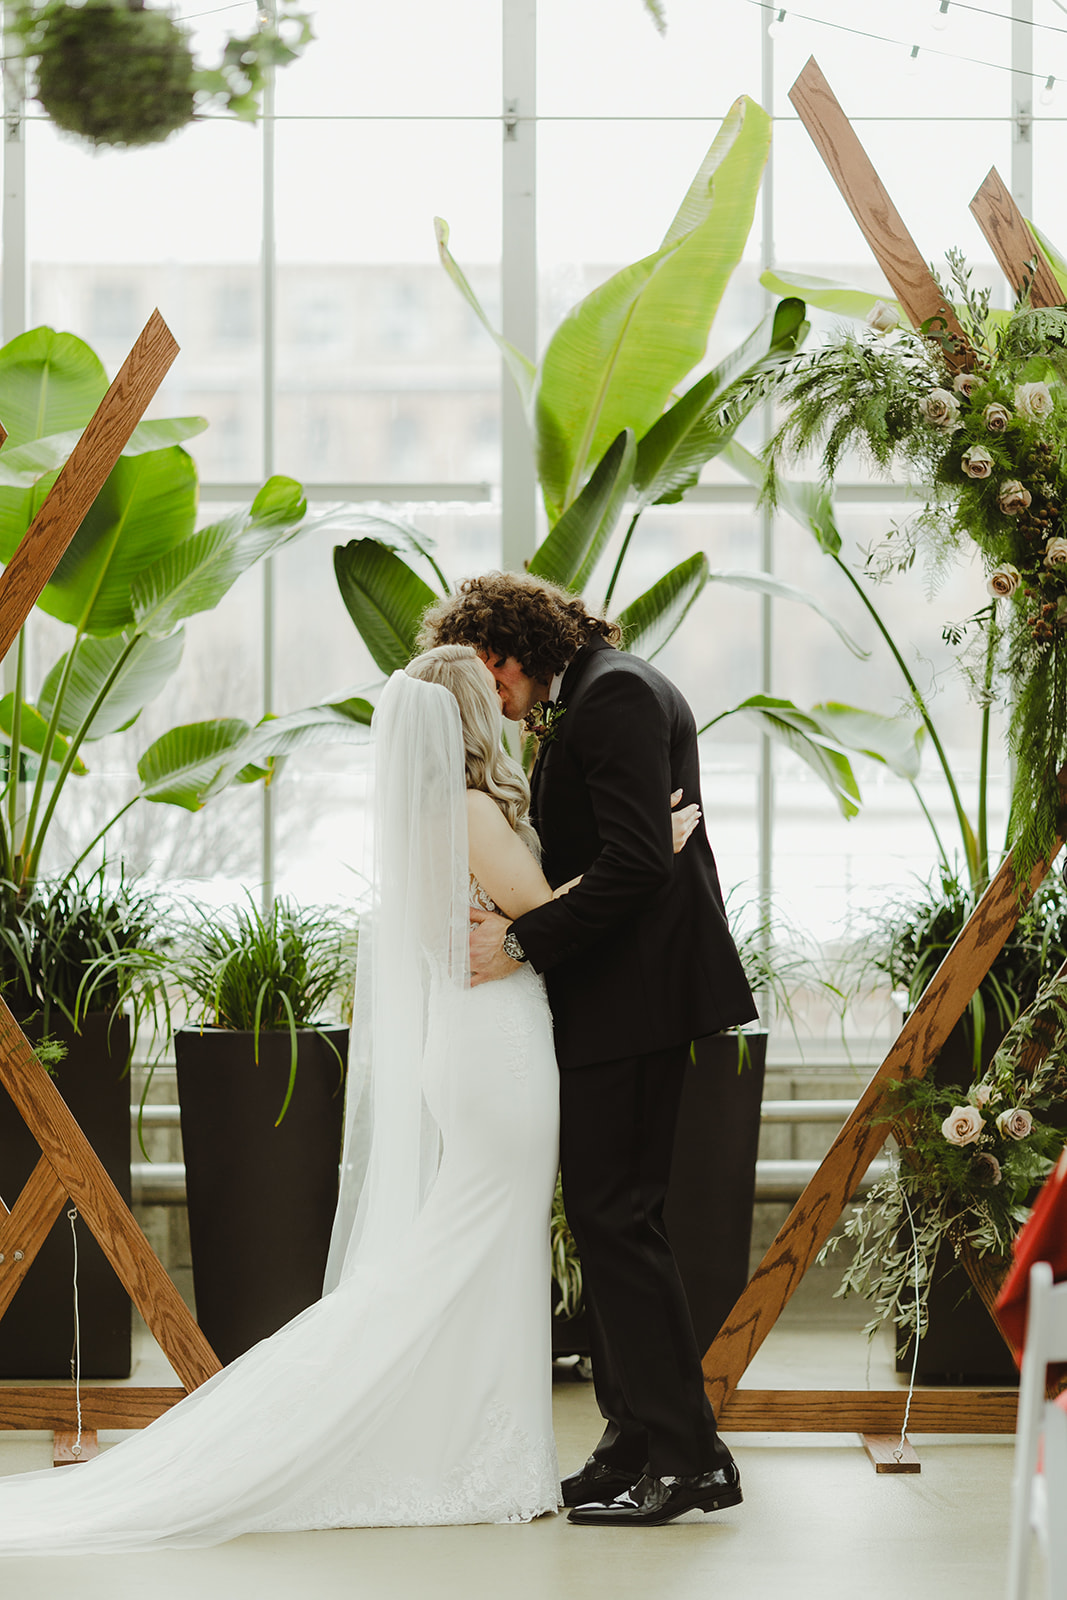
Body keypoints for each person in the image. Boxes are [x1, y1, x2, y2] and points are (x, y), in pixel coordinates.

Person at [0, 648, 566, 1552]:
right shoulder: (470, 813)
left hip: (467, 1054)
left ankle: (486, 1450)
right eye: (491, 697)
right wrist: (652, 857)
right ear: (471, 716)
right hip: (497, 1055)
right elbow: (548, 916)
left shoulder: (427, 818)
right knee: (475, 1249)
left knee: (471, 1251)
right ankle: (479, 1454)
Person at [419, 573, 758, 1528]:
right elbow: (629, 846)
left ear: (503, 654)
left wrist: (521, 940)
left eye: (494, 679)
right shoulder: (615, 687)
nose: (501, 704)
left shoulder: (611, 695)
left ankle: (689, 1457)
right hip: (627, 998)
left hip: (635, 1001)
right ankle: (634, 1438)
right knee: (614, 1221)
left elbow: (638, 862)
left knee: (617, 1221)